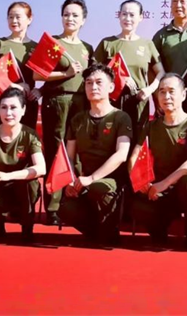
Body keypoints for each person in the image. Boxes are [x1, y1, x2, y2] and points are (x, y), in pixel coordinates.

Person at [34, 0, 94, 225]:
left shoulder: (87, 48)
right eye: (66, 14)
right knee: (55, 150)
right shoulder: (53, 43)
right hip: (57, 102)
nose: (70, 19)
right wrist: (65, 74)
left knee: (76, 152)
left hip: (81, 104)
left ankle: (73, 203)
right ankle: (53, 207)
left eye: (75, 15)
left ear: (83, 20)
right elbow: (37, 75)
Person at [129, 73, 187, 250]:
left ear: (183, 95)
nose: (166, 96)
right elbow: (134, 156)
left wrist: (165, 183)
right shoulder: (151, 126)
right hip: (155, 189)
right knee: (136, 206)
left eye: (171, 91)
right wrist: (141, 182)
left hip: (180, 188)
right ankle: (158, 229)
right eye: (162, 92)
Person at [59, 64, 132, 244]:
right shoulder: (78, 119)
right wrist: (70, 180)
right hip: (85, 181)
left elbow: (121, 154)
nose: (94, 87)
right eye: (89, 83)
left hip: (111, 181)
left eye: (99, 82)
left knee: (98, 187)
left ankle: (110, 229)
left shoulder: (121, 117)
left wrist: (92, 178)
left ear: (111, 87)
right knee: (65, 209)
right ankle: (97, 231)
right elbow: (69, 157)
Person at [0, 87, 46, 242]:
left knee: (30, 184)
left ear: (23, 110)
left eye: (13, 108)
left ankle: (27, 228)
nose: (8, 113)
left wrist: (8, 176)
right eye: (4, 107)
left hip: (21, 187)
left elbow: (41, 168)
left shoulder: (29, 135)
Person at [95, 0, 164, 134]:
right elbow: (94, 72)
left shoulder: (147, 44)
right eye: (124, 14)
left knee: (137, 139)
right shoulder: (107, 43)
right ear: (119, 15)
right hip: (112, 101)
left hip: (139, 100)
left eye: (132, 15)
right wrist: (120, 78)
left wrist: (150, 89)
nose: (127, 18)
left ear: (140, 17)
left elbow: (161, 72)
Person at [0, 1, 40, 130]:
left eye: (18, 17)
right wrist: (14, 86)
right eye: (10, 17)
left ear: (30, 19)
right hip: (2, 101)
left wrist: (40, 91)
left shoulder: (36, 47)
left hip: (27, 102)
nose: (14, 21)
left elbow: (47, 74)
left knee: (25, 139)